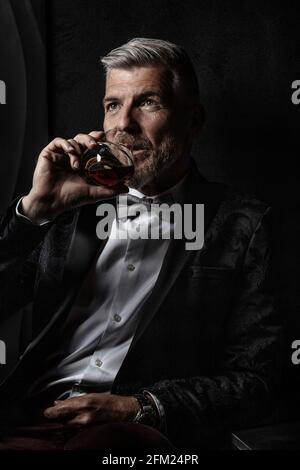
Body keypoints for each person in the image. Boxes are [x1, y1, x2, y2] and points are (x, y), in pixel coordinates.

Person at [0, 38, 281, 451]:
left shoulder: (244, 223)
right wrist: (33, 212)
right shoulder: (67, 210)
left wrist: (140, 407)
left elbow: (260, 379)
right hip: (28, 419)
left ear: (194, 121)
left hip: (135, 434)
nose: (123, 125)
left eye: (148, 102)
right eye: (113, 105)